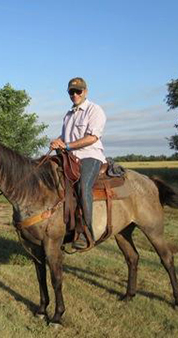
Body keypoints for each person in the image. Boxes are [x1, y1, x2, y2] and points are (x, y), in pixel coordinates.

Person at [50, 77, 107, 249]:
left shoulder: (94, 110)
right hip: (71, 157)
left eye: (78, 91)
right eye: (71, 92)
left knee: (83, 187)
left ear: (85, 92)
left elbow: (92, 137)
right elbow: (65, 136)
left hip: (90, 155)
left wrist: (67, 145)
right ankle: (64, 227)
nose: (75, 95)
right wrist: (57, 142)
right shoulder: (68, 115)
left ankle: (87, 233)